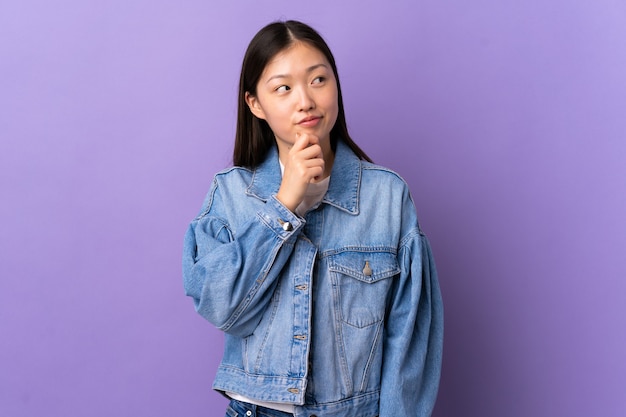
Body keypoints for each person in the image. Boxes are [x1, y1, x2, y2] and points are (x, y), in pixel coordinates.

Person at [182, 20, 443, 417]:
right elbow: (224, 310)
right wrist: (286, 204)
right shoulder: (231, 193)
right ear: (255, 104)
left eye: (318, 79)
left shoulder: (387, 196)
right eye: (283, 88)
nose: (305, 100)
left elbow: (410, 341)